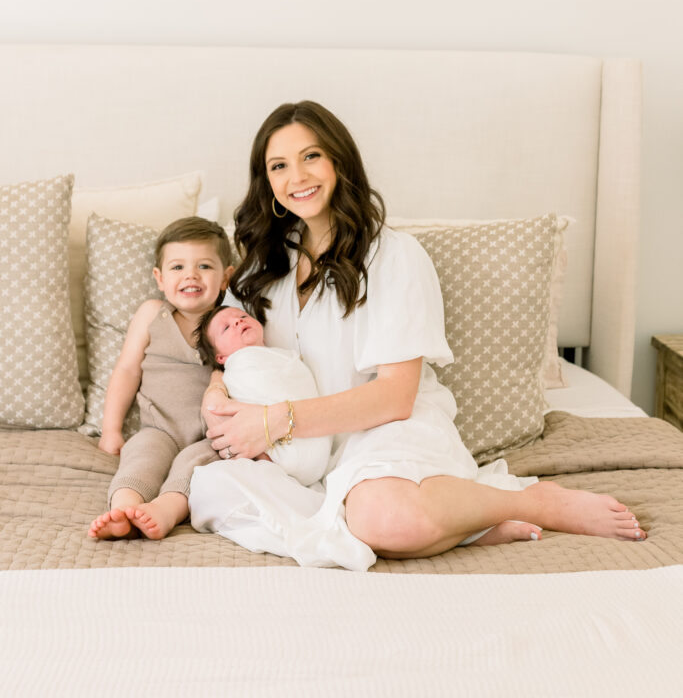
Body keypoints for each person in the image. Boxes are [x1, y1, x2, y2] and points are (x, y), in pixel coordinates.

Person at [189, 102, 645, 571]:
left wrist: (271, 421)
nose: (297, 176)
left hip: (386, 432)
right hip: (301, 452)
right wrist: (217, 393)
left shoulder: (395, 256)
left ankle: (531, 502)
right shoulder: (264, 266)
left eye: (312, 156)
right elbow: (225, 349)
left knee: (383, 518)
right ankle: (467, 528)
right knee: (212, 489)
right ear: (267, 184)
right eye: (278, 166)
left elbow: (395, 398)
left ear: (339, 161)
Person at [88, 217, 234, 541]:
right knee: (141, 459)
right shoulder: (152, 314)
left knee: (196, 467)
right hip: (158, 427)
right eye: (178, 267)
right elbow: (126, 370)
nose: (191, 275)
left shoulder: (232, 324)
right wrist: (111, 429)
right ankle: (124, 509)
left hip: (208, 434)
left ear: (226, 277)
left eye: (205, 266)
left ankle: (167, 510)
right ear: (160, 278)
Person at [198, 306, 331, 486]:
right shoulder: (236, 369)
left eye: (243, 316)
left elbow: (300, 386)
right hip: (280, 460)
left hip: (318, 446)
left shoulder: (285, 355)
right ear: (220, 358)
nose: (238, 321)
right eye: (226, 328)